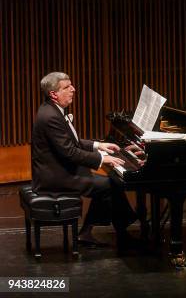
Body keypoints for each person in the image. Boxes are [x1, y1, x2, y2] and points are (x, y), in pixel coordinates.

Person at [31, 72, 138, 248]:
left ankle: (93, 232)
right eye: (67, 87)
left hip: (60, 170)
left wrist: (99, 146)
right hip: (55, 177)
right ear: (53, 94)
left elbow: (73, 142)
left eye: (71, 85)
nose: (73, 89)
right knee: (110, 184)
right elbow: (70, 152)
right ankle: (120, 232)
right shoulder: (50, 116)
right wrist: (103, 159)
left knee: (109, 183)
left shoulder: (52, 110)